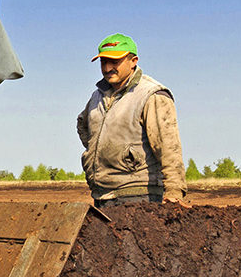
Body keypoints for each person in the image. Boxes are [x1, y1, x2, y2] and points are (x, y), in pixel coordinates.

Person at [76, 33, 186, 204]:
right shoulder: (97, 97)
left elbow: (168, 146)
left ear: (133, 61)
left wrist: (174, 190)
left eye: (114, 62)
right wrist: (96, 151)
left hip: (140, 195)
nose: (107, 68)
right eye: (103, 62)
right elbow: (83, 125)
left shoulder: (152, 94)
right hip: (102, 196)